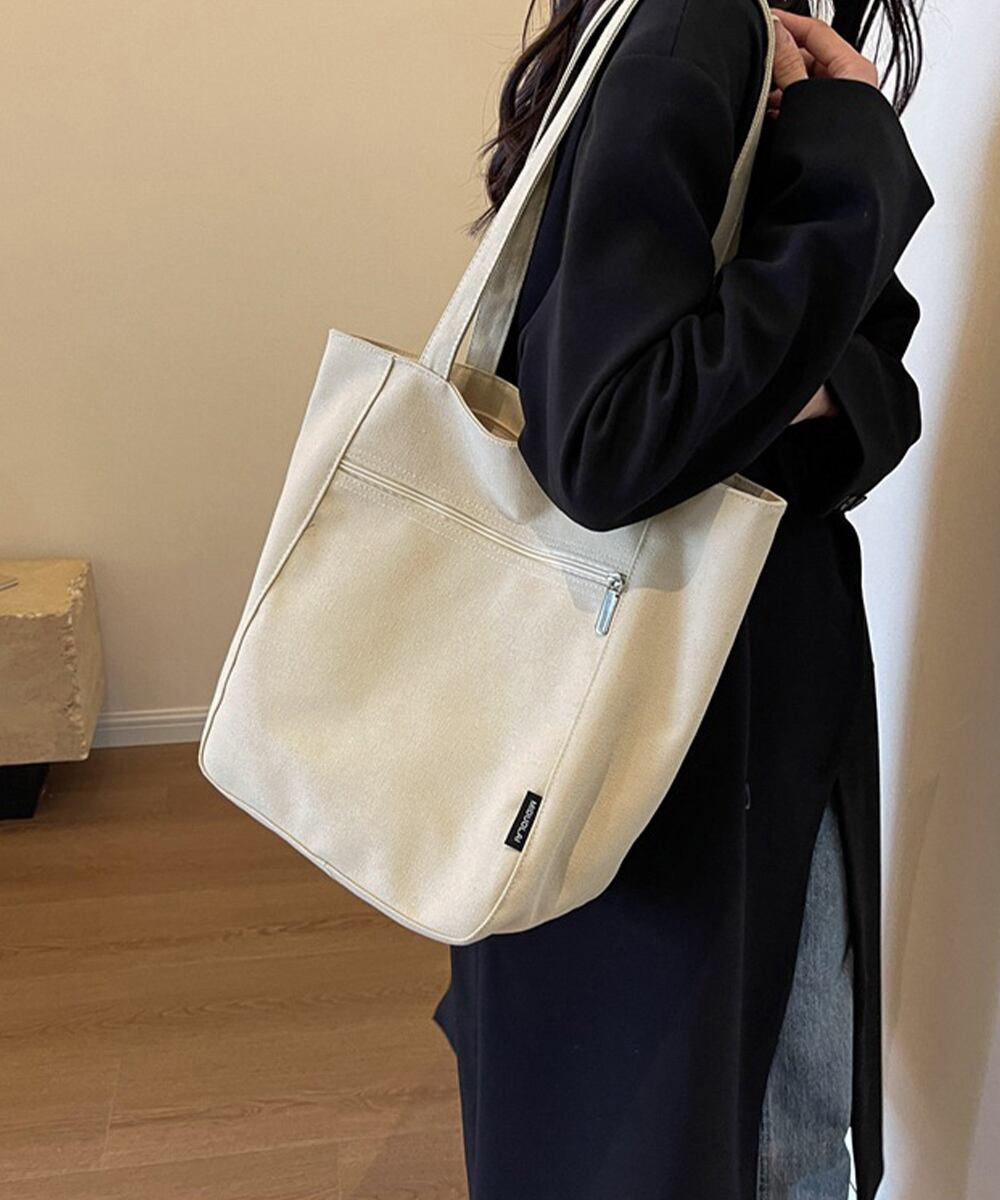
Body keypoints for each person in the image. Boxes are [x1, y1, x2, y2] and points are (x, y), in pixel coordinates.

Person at [431, 1, 935, 1197]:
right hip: (697, 720)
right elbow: (612, 435)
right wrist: (854, 146)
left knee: (671, 1125)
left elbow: (839, 381)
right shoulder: (699, 27)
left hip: (670, 700)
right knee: (758, 1137)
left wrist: (831, 388)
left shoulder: (689, 30)